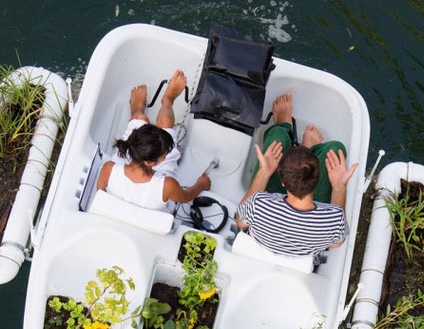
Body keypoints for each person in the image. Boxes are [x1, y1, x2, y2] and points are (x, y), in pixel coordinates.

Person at [236, 92, 358, 262]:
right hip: (309, 237)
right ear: (318, 178)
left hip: (266, 232)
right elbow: (336, 243)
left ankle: (283, 125)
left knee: (277, 139)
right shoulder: (334, 219)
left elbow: (241, 223)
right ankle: (309, 149)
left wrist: (264, 172)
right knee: (335, 148)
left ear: (283, 182)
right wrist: (339, 187)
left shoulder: (259, 204)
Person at [97, 71, 211, 211]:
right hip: (156, 187)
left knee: (141, 119)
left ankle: (137, 110)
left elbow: (100, 196)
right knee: (166, 123)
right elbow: (186, 196)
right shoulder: (168, 185)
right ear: (151, 162)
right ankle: (168, 99)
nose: (166, 154)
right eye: (164, 153)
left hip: (133, 167)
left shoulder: (109, 168)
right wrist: (201, 185)